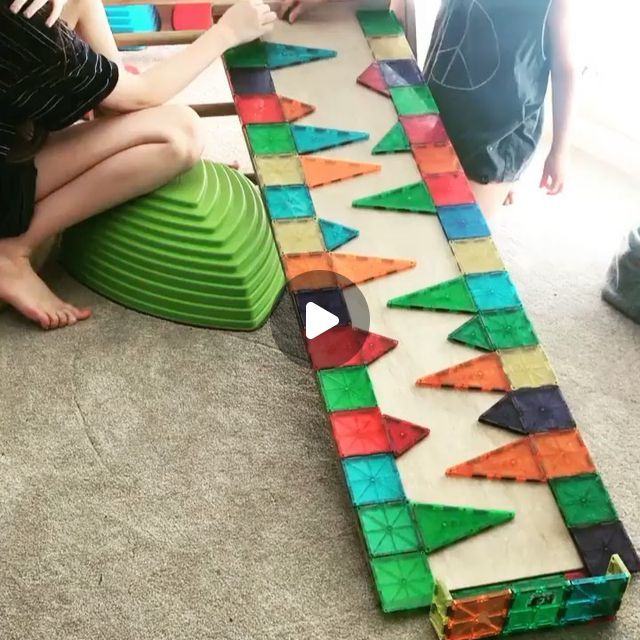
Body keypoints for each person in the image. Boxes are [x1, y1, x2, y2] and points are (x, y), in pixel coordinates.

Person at [0, 0, 276, 330]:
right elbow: (142, 94)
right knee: (180, 134)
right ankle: (11, 252)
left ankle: (121, 127)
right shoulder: (27, 19)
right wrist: (227, 31)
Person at [279, 0, 577, 217]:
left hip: (499, 139)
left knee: (459, 225)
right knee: (409, 198)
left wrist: (559, 151)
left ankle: (501, 184)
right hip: (441, 105)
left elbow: (565, 69)